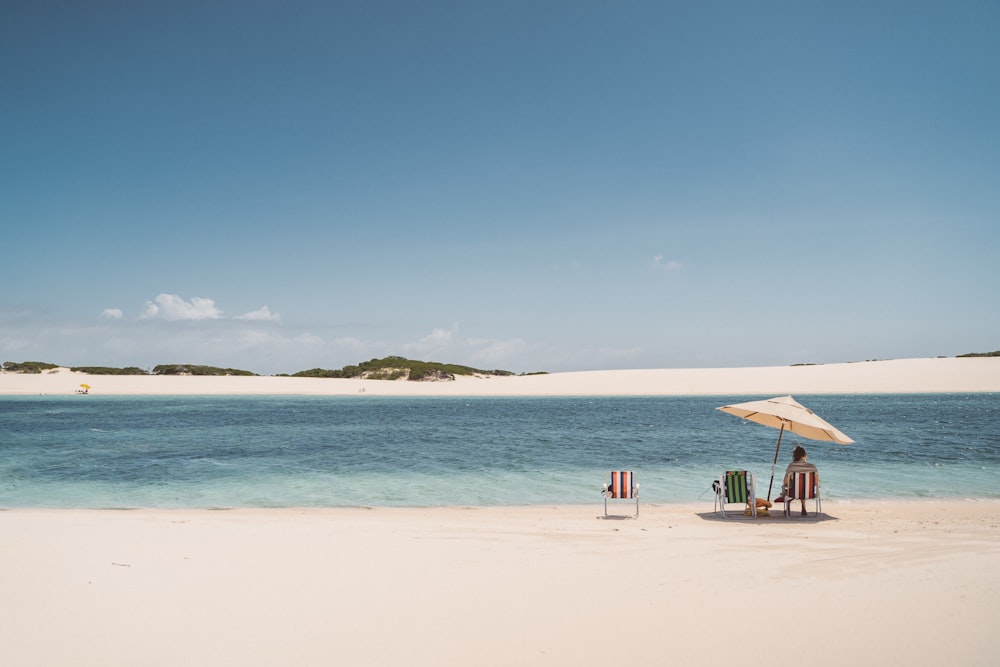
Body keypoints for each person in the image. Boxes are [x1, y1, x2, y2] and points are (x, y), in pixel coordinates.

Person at [778, 445, 819, 516]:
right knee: (803, 488)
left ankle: (787, 508)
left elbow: (785, 482)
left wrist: (786, 485)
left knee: (787, 487)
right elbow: (816, 483)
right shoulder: (812, 467)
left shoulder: (791, 466)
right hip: (809, 493)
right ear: (805, 455)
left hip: (793, 493)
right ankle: (803, 507)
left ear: (794, 456)